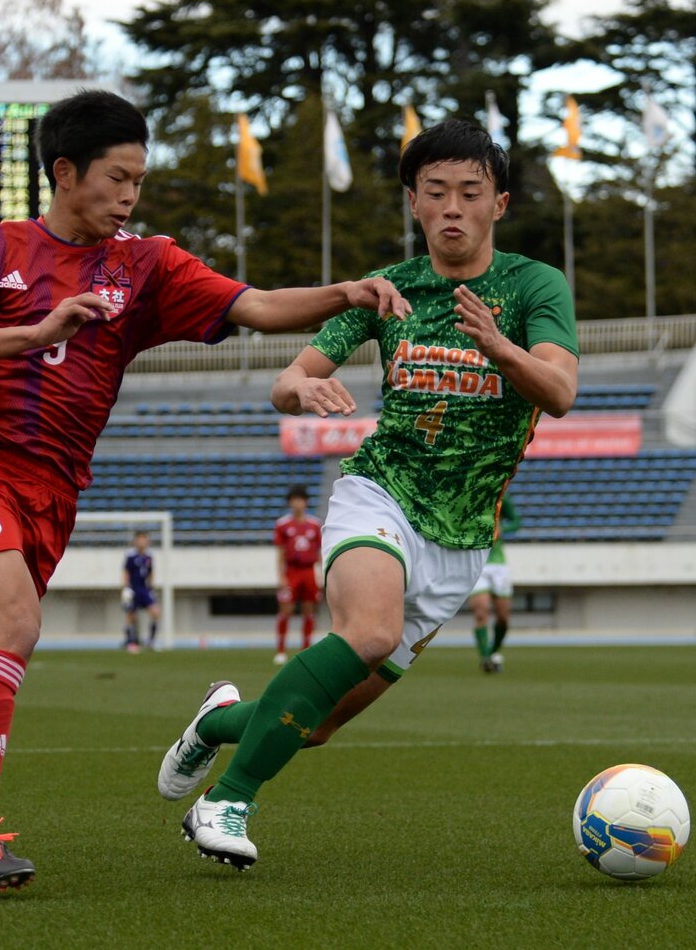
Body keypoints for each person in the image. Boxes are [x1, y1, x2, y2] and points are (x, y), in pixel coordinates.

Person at [0, 88, 410, 892]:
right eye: (117, 178)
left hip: (53, 497)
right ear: (65, 172)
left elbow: (257, 305)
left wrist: (346, 293)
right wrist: (36, 330)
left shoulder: (147, 264)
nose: (130, 196)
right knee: (15, 622)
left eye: (138, 180)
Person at [156, 117, 579, 871]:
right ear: (413, 202)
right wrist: (301, 389)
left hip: (461, 540)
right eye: (436, 191)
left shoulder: (533, 285)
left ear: (500, 204)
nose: (452, 207)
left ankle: (217, 722)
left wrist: (499, 346)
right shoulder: (388, 288)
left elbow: (561, 391)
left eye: (470, 192)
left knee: (314, 724)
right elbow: (290, 378)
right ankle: (228, 799)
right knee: (371, 633)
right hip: (379, 493)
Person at [470, 492, 520, 672]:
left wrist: (503, 529)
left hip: (498, 564)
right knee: (481, 611)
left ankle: (493, 652)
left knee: (503, 618)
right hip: (477, 562)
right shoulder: (470, 495)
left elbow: (516, 521)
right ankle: (485, 657)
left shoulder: (500, 496)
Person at [272, 484, 322, 664]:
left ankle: (305, 649)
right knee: (286, 609)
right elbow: (280, 552)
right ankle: (280, 650)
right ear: (290, 502)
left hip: (308, 570)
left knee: (309, 609)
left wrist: (320, 573)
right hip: (291, 570)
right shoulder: (282, 524)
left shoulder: (315, 525)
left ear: (306, 502)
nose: (297, 503)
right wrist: (281, 575)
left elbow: (319, 551)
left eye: (300, 500)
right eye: (294, 500)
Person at [122, 531, 160, 651]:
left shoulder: (149, 557)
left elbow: (151, 572)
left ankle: (151, 641)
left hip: (144, 589)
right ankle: (131, 642)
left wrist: (151, 587)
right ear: (135, 541)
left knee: (155, 612)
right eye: (140, 540)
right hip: (133, 589)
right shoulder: (131, 556)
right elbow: (126, 572)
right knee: (131, 615)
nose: (142, 542)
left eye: (144, 540)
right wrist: (126, 588)